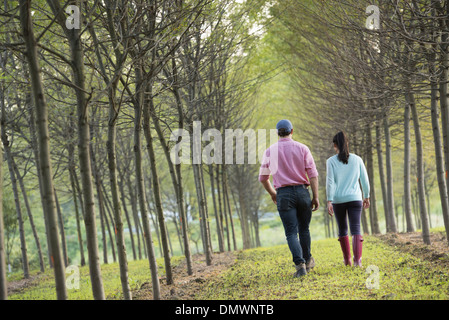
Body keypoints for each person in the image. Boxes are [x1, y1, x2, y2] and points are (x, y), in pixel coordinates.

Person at [259, 119, 320, 278]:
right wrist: (315, 196)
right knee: (304, 229)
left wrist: (273, 193)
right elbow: (312, 175)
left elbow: (263, 178)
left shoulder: (270, 151)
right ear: (292, 131)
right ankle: (308, 260)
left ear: (277, 133)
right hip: (302, 192)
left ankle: (300, 266)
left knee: (291, 233)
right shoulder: (303, 148)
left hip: (284, 195)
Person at [326, 131, 370, 267]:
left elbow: (330, 182)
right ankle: (358, 261)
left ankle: (347, 261)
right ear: (347, 143)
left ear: (335, 145)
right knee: (356, 228)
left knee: (342, 229)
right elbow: (364, 179)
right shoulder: (357, 159)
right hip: (355, 198)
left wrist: (329, 200)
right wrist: (366, 196)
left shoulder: (331, 161)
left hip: (338, 199)